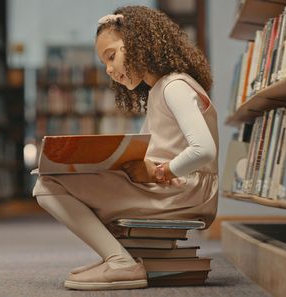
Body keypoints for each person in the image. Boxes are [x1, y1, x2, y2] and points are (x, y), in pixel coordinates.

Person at [33, 5, 219, 291]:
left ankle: (119, 261)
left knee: (47, 186)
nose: (110, 70)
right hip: (175, 184)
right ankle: (119, 257)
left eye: (112, 56)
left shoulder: (174, 87)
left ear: (138, 42)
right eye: (104, 64)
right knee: (55, 180)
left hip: (182, 189)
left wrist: (160, 172)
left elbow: (204, 150)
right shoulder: (163, 88)